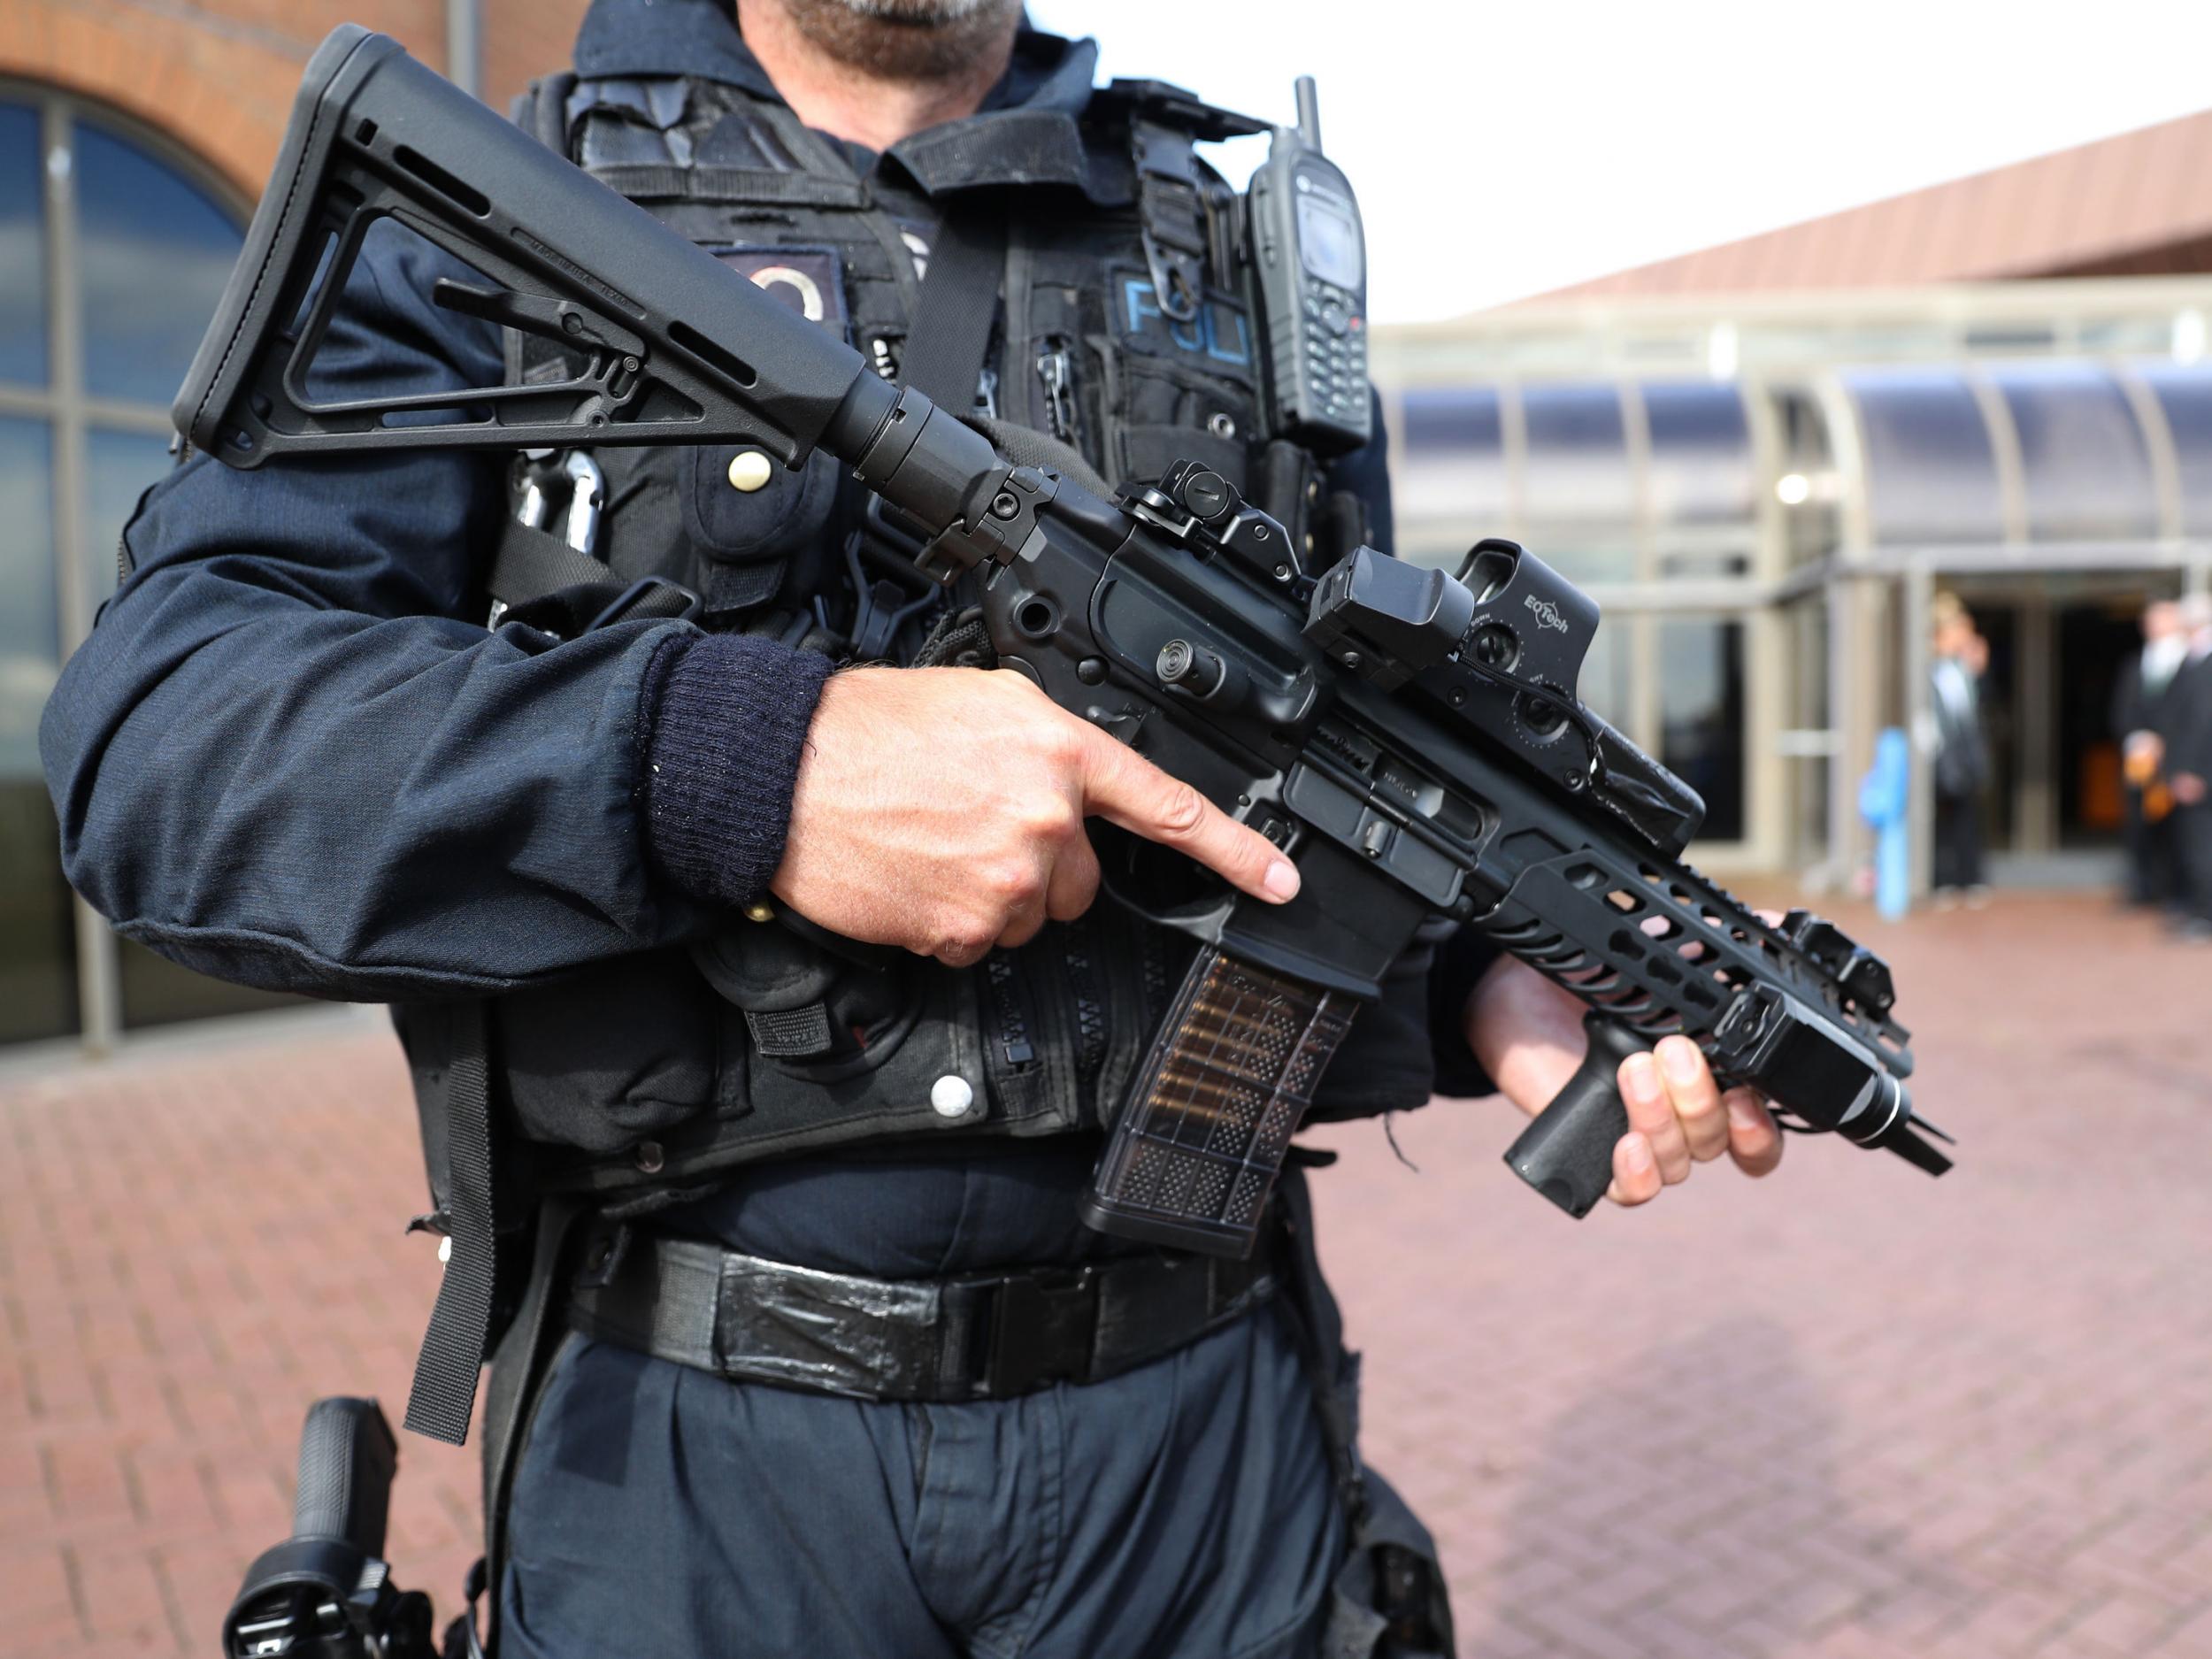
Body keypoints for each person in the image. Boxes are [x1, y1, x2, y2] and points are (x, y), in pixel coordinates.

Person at [39, 3, 1790, 1654]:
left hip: (1191, 1452)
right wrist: (744, 767)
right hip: (688, 1460)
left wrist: (1492, 973)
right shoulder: (506, 212)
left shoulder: (1243, 257)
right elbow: (164, 749)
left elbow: (1317, 778)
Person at [2112, 598, 2187, 910]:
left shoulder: (2188, 663)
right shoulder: (2134, 663)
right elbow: (2123, 710)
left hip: (2177, 758)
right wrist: (2139, 739)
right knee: (2139, 824)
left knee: (2177, 827)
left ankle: (2175, 889)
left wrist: (2168, 743)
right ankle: (2142, 887)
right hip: (2141, 759)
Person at [1927, 591, 1991, 907]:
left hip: (1965, 760)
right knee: (1938, 823)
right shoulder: (1926, 669)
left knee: (1968, 819)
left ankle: (1970, 878)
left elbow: (1975, 716)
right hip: (1938, 760)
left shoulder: (1964, 672)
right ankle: (1941, 880)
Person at [2159, 594, 2212, 942]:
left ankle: (2205, 914)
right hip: (2191, 770)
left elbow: (2202, 721)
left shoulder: (2204, 662)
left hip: (2200, 774)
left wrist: (2193, 770)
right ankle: (2196, 908)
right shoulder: (2191, 660)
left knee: (2201, 846)